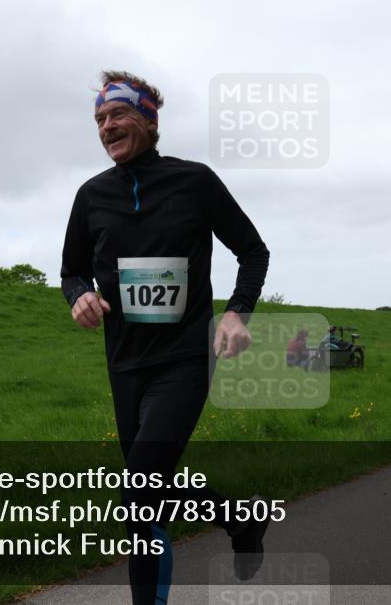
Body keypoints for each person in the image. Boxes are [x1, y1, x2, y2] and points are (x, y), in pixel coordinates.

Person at [61, 71, 271, 604]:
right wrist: (80, 296)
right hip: (125, 362)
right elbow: (71, 272)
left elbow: (253, 250)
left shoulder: (194, 181)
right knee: (143, 507)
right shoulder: (91, 196)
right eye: (100, 120)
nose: (108, 127)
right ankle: (240, 520)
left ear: (149, 120)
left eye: (119, 115)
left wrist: (236, 313)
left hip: (185, 358)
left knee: (136, 491)